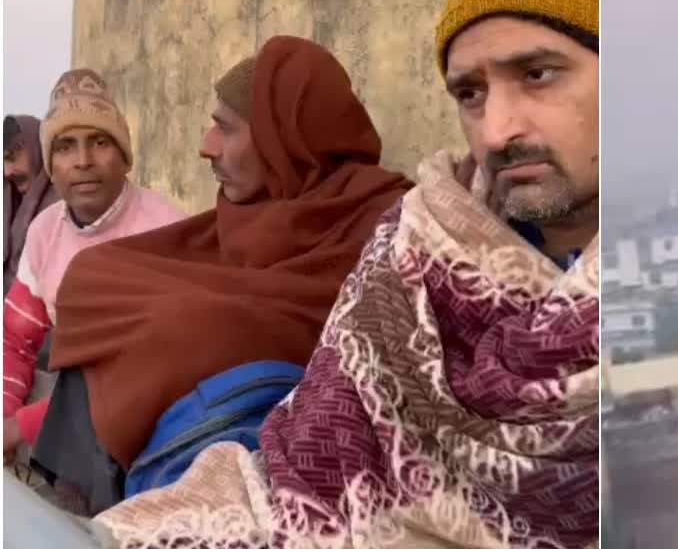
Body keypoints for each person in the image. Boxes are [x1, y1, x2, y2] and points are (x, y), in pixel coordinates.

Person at [89, 0, 599, 549]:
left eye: (538, 74)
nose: (496, 130)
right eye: (469, 93)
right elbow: (312, 453)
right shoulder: (416, 243)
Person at [30, 36, 414, 516]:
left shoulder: (382, 220)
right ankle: (80, 499)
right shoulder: (249, 208)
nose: (206, 147)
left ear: (285, 140)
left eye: (226, 129)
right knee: (99, 277)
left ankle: (97, 505)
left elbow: (328, 334)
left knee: (180, 324)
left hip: (260, 425)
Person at [3, 70, 186, 465]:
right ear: (50, 162)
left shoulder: (164, 231)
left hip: (146, 427)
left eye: (100, 142)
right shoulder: (45, 230)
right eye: (66, 146)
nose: (83, 161)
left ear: (123, 153)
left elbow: (147, 373)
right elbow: (16, 340)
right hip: (65, 409)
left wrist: (22, 427)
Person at [4, 115, 60, 294]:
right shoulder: (9, 202)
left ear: (37, 149)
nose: (7, 171)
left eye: (11, 157)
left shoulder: (64, 205)